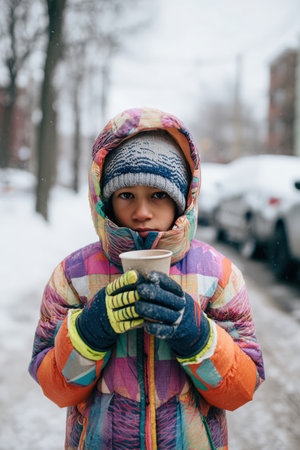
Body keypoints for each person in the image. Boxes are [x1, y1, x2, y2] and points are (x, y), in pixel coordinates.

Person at [29, 107, 265, 449]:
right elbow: (55, 387)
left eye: (157, 195)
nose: (141, 212)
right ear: (106, 202)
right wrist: (87, 334)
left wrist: (198, 337)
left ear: (182, 200)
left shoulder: (217, 275)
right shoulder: (73, 275)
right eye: (126, 196)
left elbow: (242, 388)